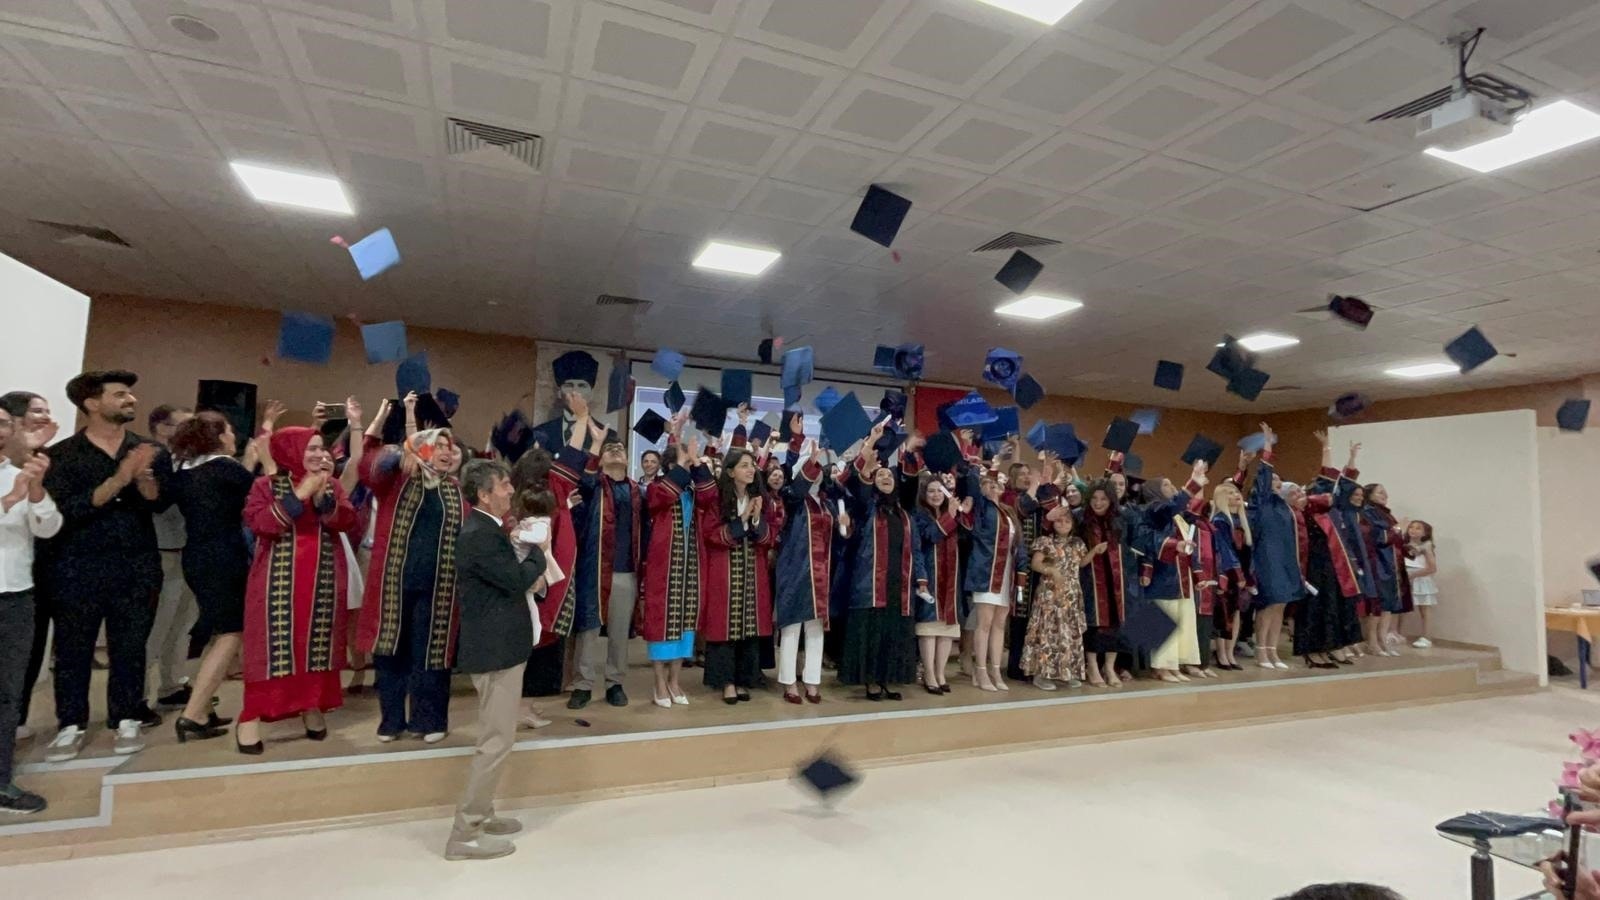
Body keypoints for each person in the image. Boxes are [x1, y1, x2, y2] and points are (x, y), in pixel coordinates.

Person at [40, 370, 170, 761]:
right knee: (73, 647)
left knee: (130, 645)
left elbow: (160, 503)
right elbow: (66, 512)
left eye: (130, 394)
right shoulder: (62, 455)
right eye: (120, 394)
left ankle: (126, 717)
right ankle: (71, 724)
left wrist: (145, 482)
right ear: (92, 403)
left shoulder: (148, 449)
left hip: (136, 563)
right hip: (77, 565)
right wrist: (119, 479)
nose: (131, 400)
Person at [236, 427, 361, 753]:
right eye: (311, 449)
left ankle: (311, 705)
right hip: (277, 583)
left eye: (321, 448)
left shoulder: (331, 484)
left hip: (323, 580)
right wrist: (299, 495)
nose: (320, 455)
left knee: (316, 644)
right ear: (290, 452)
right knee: (274, 647)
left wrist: (323, 500)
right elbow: (261, 524)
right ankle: (250, 717)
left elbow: (347, 521)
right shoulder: (266, 485)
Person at [445, 459, 546, 862]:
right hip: (494, 650)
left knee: (496, 737)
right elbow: (516, 580)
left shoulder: (487, 529)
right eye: (504, 485)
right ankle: (465, 832)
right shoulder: (479, 535)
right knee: (495, 742)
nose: (511, 490)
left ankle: (483, 814)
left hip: (501, 647)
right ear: (484, 494)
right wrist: (539, 552)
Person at [358, 426, 468, 743]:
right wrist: (398, 454)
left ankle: (429, 721)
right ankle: (391, 722)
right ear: (423, 449)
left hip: (439, 589)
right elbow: (368, 468)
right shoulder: (397, 480)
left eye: (450, 447)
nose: (446, 452)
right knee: (390, 651)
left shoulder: (456, 491)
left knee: (431, 654)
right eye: (439, 446)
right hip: (393, 585)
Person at [168, 411, 268, 743]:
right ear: (219, 436)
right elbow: (260, 493)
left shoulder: (185, 470)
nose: (234, 436)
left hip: (196, 556)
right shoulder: (225, 468)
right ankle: (193, 713)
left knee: (217, 632)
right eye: (229, 431)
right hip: (223, 556)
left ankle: (204, 707)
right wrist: (260, 461)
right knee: (231, 633)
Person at [0, 402, 60, 813]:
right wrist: (9, 500)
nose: (1, 429)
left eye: (5, 423)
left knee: (8, 694)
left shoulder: (17, 473)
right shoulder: (12, 484)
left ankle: (2, 780)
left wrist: (35, 490)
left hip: (17, 596)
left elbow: (49, 526)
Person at [839, 434, 924, 700]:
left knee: (894, 633)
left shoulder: (905, 515)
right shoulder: (868, 508)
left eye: (889, 475)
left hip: (899, 583)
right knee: (873, 633)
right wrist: (868, 455)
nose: (886, 477)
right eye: (880, 475)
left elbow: (916, 550)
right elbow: (860, 488)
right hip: (871, 583)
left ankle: (889, 678)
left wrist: (921, 579)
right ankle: (871, 680)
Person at [640, 430, 715, 708]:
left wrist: (696, 463)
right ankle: (659, 683)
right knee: (662, 620)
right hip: (665, 565)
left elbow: (711, 496)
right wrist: (682, 466)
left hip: (691, 565)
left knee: (686, 622)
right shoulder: (657, 488)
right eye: (682, 462)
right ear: (671, 465)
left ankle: (674, 681)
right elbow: (659, 499)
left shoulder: (693, 492)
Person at [568, 436, 644, 709]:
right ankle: (583, 685)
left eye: (620, 448)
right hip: (595, 567)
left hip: (625, 570)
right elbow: (584, 483)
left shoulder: (638, 491)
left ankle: (615, 683)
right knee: (588, 629)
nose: (615, 450)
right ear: (600, 460)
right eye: (608, 449)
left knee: (619, 632)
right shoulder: (594, 487)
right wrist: (595, 446)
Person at [699, 448, 777, 704]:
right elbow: (711, 534)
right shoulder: (718, 500)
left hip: (753, 573)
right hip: (725, 572)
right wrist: (742, 519)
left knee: (749, 626)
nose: (751, 469)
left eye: (752, 465)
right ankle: (727, 682)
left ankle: (744, 678)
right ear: (731, 472)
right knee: (725, 627)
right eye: (744, 465)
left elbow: (769, 537)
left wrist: (756, 520)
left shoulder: (760, 499)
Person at [775, 440, 840, 704]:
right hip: (795, 570)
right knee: (792, 627)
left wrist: (845, 527)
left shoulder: (827, 504)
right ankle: (789, 681)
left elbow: (838, 536)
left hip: (821, 572)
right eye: (811, 467)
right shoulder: (792, 498)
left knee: (815, 628)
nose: (816, 472)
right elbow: (797, 490)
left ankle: (812, 680)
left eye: (819, 468)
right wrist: (811, 461)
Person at [146, 404, 196, 711]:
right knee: (156, 626)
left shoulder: (189, 461)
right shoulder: (151, 459)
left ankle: (172, 685)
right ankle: (137, 696)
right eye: (184, 425)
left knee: (181, 625)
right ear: (162, 428)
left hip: (187, 549)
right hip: (161, 551)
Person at [1139, 463, 1206, 684]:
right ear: (1154, 490)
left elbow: (1189, 537)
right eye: (1166, 485)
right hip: (1162, 575)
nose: (1172, 487)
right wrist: (1193, 483)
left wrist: (1198, 574)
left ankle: (1177, 662)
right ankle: (1161, 666)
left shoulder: (1176, 516)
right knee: (1164, 620)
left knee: (1183, 621)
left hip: (1180, 577)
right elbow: (1150, 543)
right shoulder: (1154, 510)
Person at [1245, 423, 1303, 670]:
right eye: (1273, 479)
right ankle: (1261, 652)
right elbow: (1263, 476)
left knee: (1281, 605)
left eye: (1280, 480)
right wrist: (1267, 446)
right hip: (1267, 559)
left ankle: (1273, 650)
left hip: (1286, 559)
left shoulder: (1284, 507)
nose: (1277, 482)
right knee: (1269, 604)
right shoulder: (1261, 503)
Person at [964, 462, 1025, 692]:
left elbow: (1018, 544)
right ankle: (980, 670)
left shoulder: (1008, 511)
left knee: (1000, 624)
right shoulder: (982, 508)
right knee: (985, 623)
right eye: (990, 483)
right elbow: (973, 487)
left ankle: (995, 669)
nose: (994, 485)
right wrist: (985, 472)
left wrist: (1021, 572)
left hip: (1006, 574)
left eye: (997, 482)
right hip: (986, 573)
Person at [1022, 506, 1090, 690]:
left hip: (1071, 594)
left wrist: (1095, 551)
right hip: (1050, 594)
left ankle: (1066, 672)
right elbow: (1035, 564)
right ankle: (1041, 674)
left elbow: (1082, 562)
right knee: (1048, 632)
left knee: (1068, 633)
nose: (1063, 524)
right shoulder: (1045, 541)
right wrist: (1050, 570)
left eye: (1067, 521)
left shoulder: (1077, 543)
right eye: (1059, 520)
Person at [1077, 480, 1136, 688]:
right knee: (1093, 623)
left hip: (1117, 579)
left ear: (1111, 500)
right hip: (1091, 579)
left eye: (1103, 498)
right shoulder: (1081, 519)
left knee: (1115, 623)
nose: (1098, 502)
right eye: (1094, 498)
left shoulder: (1121, 519)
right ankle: (1092, 666)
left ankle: (1109, 667)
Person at [912, 471, 963, 695]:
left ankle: (941, 673)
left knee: (946, 629)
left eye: (939, 491)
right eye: (930, 491)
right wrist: (949, 516)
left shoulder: (950, 513)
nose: (935, 495)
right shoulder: (919, 515)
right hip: (929, 575)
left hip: (951, 577)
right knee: (929, 627)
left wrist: (957, 512)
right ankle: (929, 673)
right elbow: (930, 537)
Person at [1361, 482, 1412, 654]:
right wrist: (1398, 529)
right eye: (1380, 492)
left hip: (1392, 563)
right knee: (1378, 603)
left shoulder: (1386, 514)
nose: (1385, 496)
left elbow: (1396, 539)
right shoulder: (1367, 512)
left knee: (1389, 604)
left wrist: (1408, 548)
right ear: (1369, 495)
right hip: (1378, 562)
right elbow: (1378, 537)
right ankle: (1372, 641)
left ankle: (1383, 639)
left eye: (1385, 493)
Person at [1405, 520, 1437, 647]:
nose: (1413, 530)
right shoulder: (1405, 545)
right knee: (1400, 608)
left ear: (1425, 533)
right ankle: (1395, 632)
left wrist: (1412, 575)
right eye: (1411, 527)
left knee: (1424, 610)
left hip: (1420, 579)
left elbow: (1432, 568)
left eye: (1418, 528)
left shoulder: (1426, 546)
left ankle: (1426, 637)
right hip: (1407, 578)